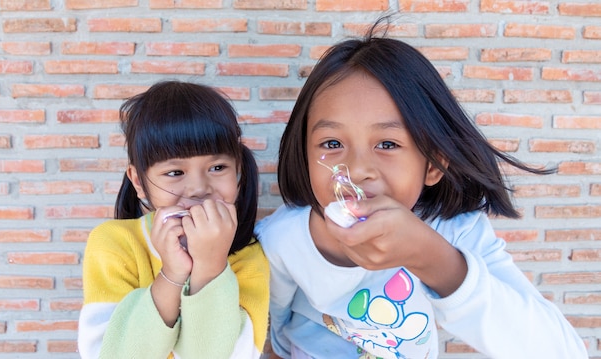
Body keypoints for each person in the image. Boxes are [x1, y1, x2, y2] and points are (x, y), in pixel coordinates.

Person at [255, 17, 588, 359]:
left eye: (387, 144)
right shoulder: (281, 238)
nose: (356, 170)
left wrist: (436, 261)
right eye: (332, 142)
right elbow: (277, 330)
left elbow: (561, 351)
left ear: (431, 164)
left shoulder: (455, 233)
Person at [77, 81, 269, 359]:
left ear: (238, 172)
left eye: (217, 167)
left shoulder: (248, 256)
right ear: (139, 182)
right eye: (175, 172)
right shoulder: (113, 243)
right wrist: (172, 275)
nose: (199, 188)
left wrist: (211, 265)